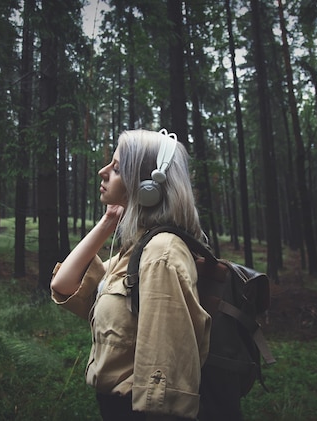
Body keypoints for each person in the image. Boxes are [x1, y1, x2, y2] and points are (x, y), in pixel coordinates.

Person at [50, 128, 211, 421]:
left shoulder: (161, 254)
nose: (103, 172)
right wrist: (109, 220)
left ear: (149, 184)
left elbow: (166, 384)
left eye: (117, 167)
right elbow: (63, 284)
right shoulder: (136, 249)